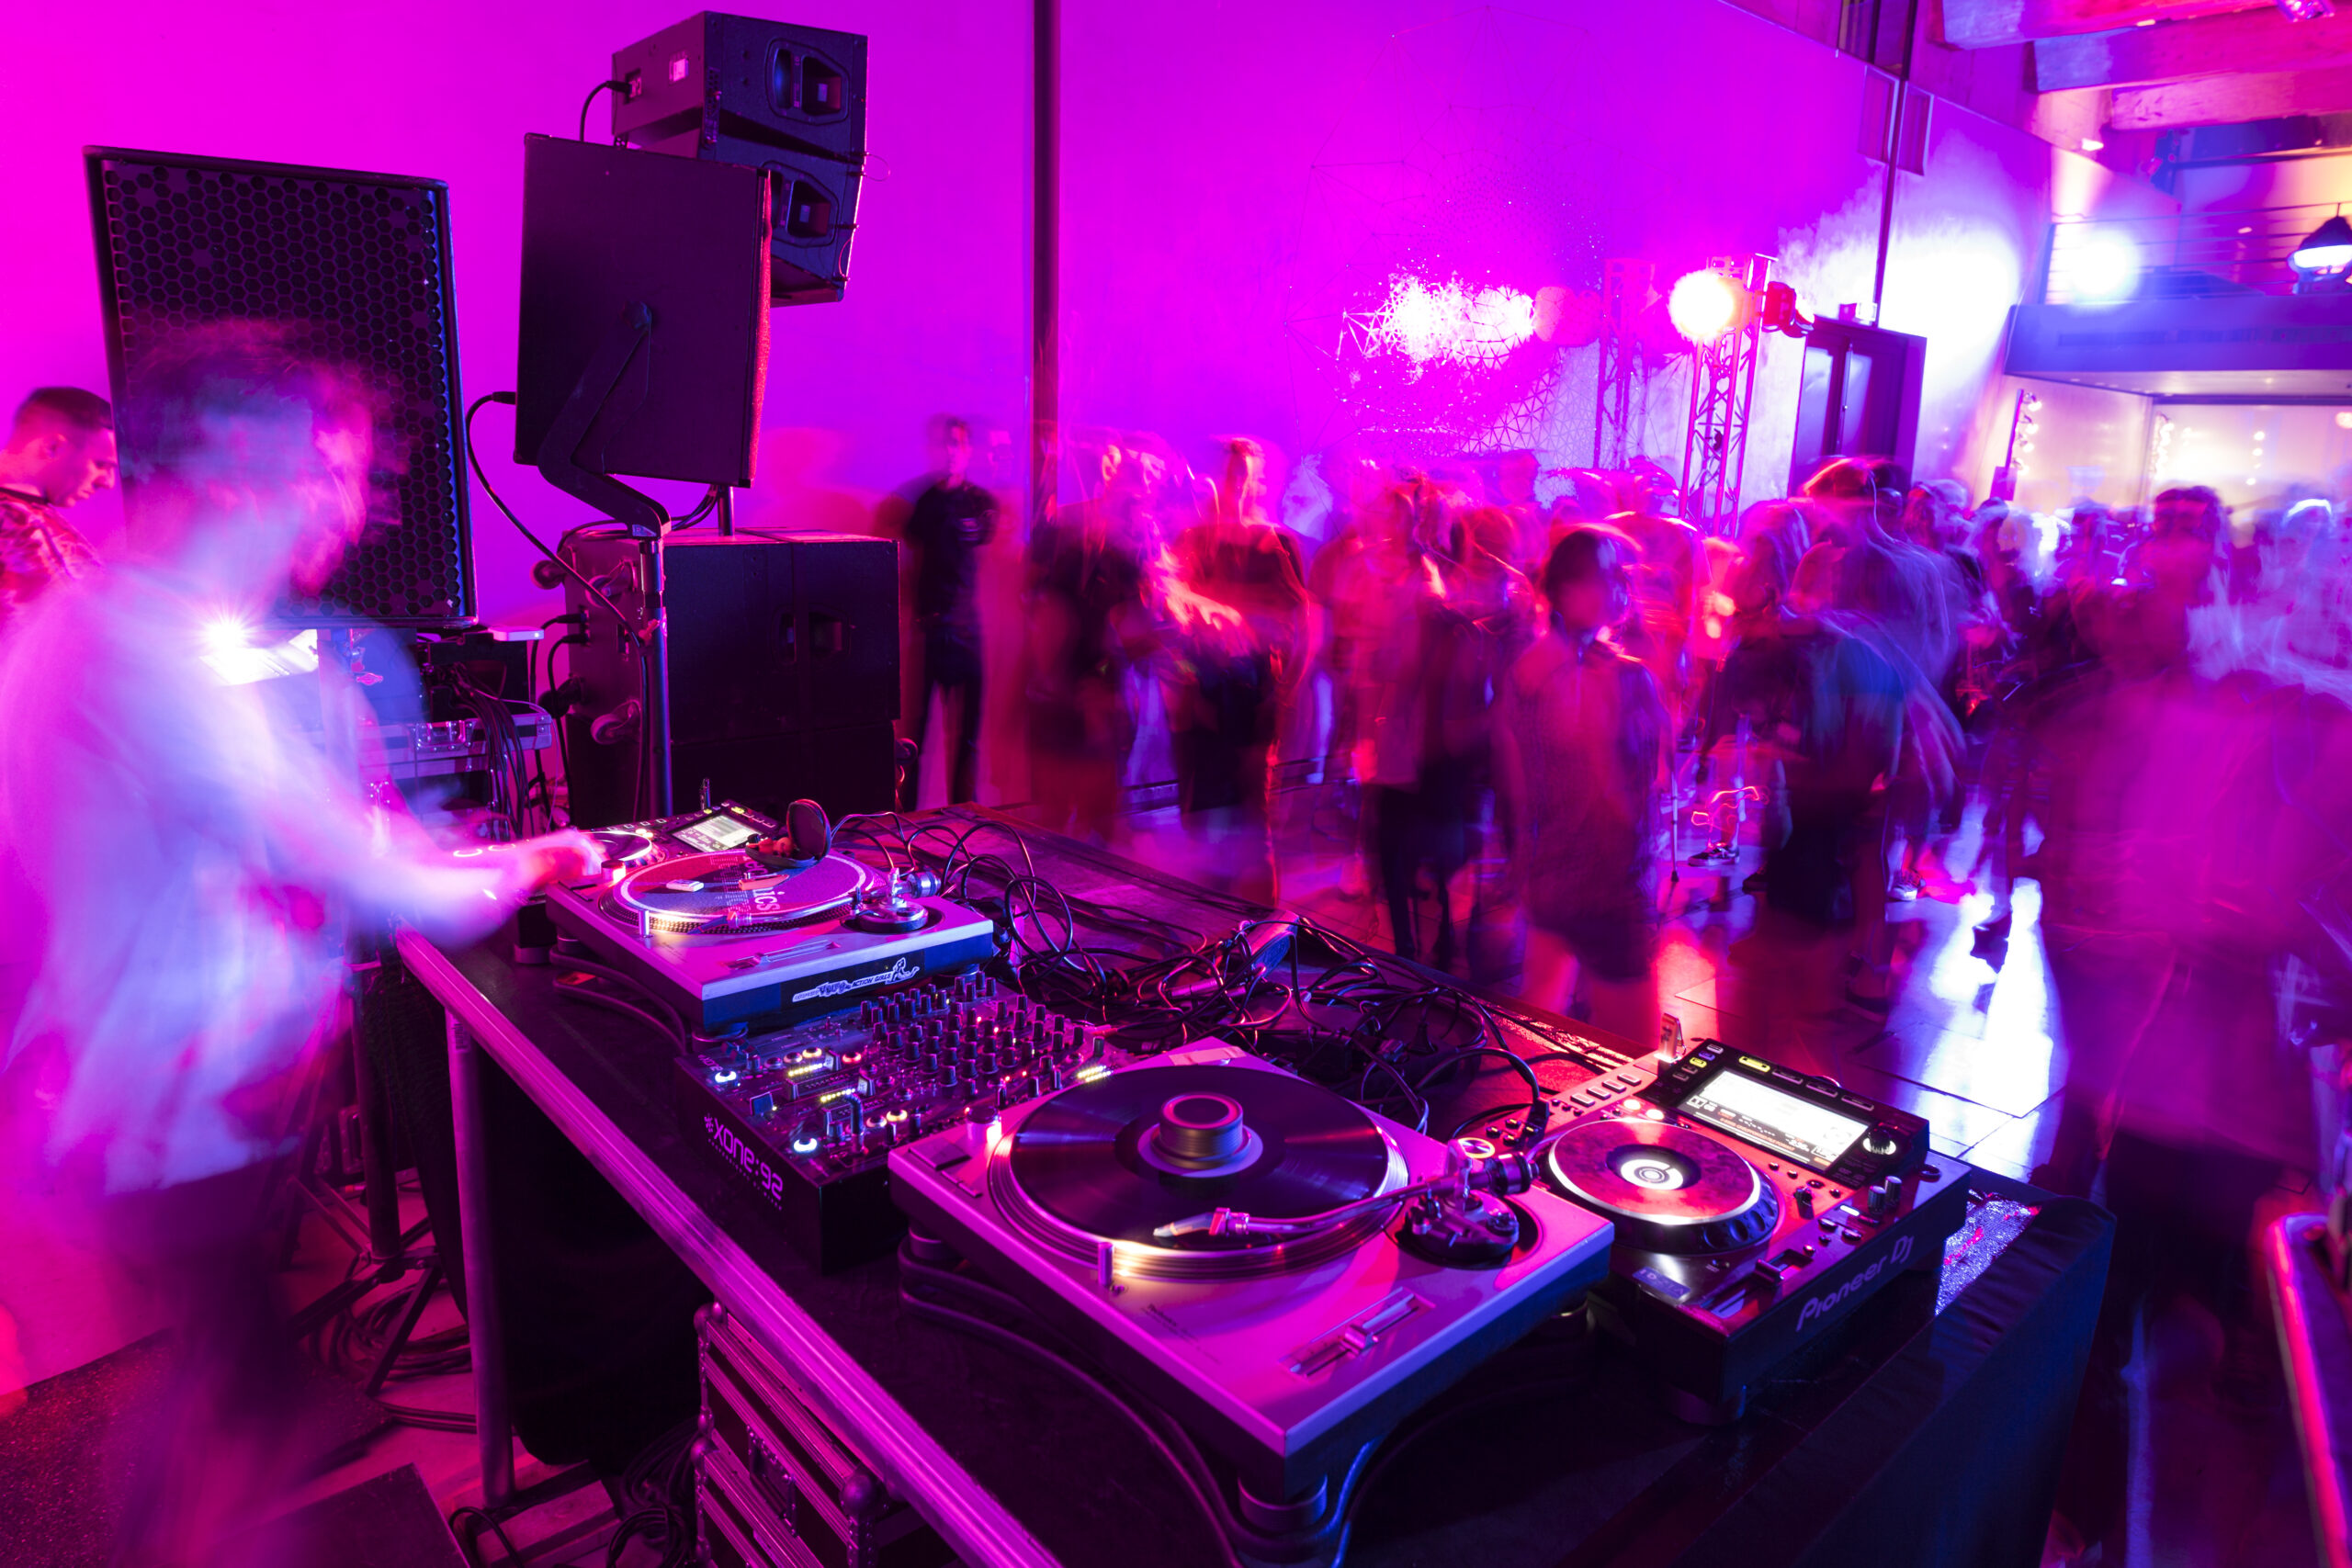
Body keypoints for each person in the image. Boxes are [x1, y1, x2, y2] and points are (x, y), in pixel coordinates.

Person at [0, 323, 597, 1565]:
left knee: (217, 1387)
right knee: (244, 1418)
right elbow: (373, 877)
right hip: (173, 1115)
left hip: (133, 1108)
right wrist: (543, 859)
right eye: (330, 469)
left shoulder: (99, 621)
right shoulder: (143, 650)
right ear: (234, 463)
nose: (353, 506)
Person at [1493, 528, 1668, 1041]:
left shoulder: (1524, 673)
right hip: (1609, 889)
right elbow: (1630, 797)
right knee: (1636, 1054)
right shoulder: (1626, 679)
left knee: (1536, 1035)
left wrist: (1521, 872)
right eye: (1608, 576)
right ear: (1569, 592)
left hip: (1549, 880)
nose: (1622, 587)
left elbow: (1516, 790)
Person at [900, 416, 997, 807]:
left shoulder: (981, 503)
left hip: (967, 632)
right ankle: (907, 818)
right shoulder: (924, 503)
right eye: (945, 444)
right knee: (918, 736)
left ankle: (965, 816)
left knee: (967, 737)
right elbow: (912, 556)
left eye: (957, 444)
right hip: (932, 630)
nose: (951, 452)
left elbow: (989, 546)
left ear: (968, 450)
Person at [0, 386, 117, 635]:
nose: (108, 482)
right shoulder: (11, 518)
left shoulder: (28, 512)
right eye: (101, 464)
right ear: (53, 447)